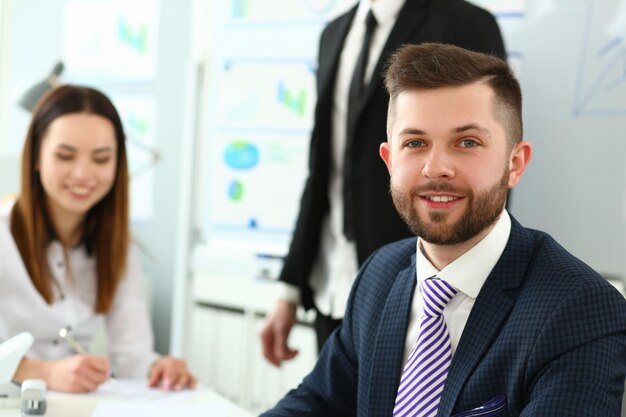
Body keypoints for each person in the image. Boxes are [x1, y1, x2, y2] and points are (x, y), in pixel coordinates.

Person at [260, 43, 626, 416]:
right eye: (415, 143)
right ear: (389, 161)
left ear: (515, 164)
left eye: (467, 142)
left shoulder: (580, 310)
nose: (435, 168)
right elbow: (316, 403)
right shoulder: (378, 276)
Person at [261, 0, 507, 364]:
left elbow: (489, 163)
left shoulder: (464, 22)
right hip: (331, 284)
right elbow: (323, 168)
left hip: (424, 294)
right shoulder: (333, 33)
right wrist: (290, 288)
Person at [0, 85, 196, 393]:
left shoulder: (117, 246)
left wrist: (158, 367)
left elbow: (133, 356)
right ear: (36, 157)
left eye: (101, 159)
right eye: (65, 156)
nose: (83, 174)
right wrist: (42, 372)